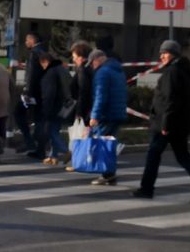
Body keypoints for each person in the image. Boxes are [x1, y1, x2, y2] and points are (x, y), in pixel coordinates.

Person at [133, 40, 190, 204]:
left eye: (165, 52)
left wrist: (165, 124)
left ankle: (147, 189)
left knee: (153, 155)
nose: (162, 56)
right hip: (180, 123)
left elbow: (171, 100)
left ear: (174, 54)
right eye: (161, 53)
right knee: (183, 156)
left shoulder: (173, 71)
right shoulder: (184, 69)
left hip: (166, 123)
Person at [86, 48, 128, 186]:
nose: (92, 66)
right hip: (117, 113)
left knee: (102, 145)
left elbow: (100, 96)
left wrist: (95, 115)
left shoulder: (102, 73)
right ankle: (110, 174)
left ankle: (107, 174)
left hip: (106, 115)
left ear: (97, 59)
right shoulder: (118, 70)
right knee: (110, 145)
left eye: (92, 63)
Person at [34, 50, 73, 166]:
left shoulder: (50, 72)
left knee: (50, 131)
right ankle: (53, 156)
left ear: (45, 62)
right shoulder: (61, 68)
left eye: (42, 65)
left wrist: (45, 109)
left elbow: (49, 93)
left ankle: (65, 150)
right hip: (64, 104)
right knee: (55, 129)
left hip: (53, 106)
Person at [67, 40, 95, 171]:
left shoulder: (83, 70)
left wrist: (79, 111)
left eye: (74, 56)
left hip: (84, 109)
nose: (73, 59)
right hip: (89, 108)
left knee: (81, 136)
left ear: (81, 56)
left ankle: (80, 161)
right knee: (86, 135)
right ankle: (81, 160)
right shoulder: (90, 68)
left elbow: (83, 92)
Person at [20, 30, 46, 157]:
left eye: (27, 40)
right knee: (39, 119)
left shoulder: (33, 53)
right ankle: (38, 146)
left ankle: (31, 142)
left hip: (34, 92)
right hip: (42, 91)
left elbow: (31, 74)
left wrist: (27, 91)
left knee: (19, 113)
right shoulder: (44, 51)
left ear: (32, 40)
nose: (25, 42)